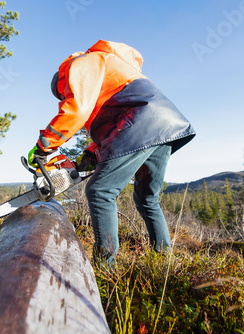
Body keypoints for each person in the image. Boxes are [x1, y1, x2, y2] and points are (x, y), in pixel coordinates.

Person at [28, 40, 195, 267]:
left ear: (62, 82)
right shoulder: (112, 73)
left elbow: (76, 109)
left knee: (100, 191)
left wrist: (44, 147)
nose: (66, 96)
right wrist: (86, 158)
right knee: (147, 199)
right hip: (165, 125)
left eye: (64, 94)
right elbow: (114, 134)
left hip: (140, 121)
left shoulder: (81, 64)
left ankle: (106, 267)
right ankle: (163, 262)